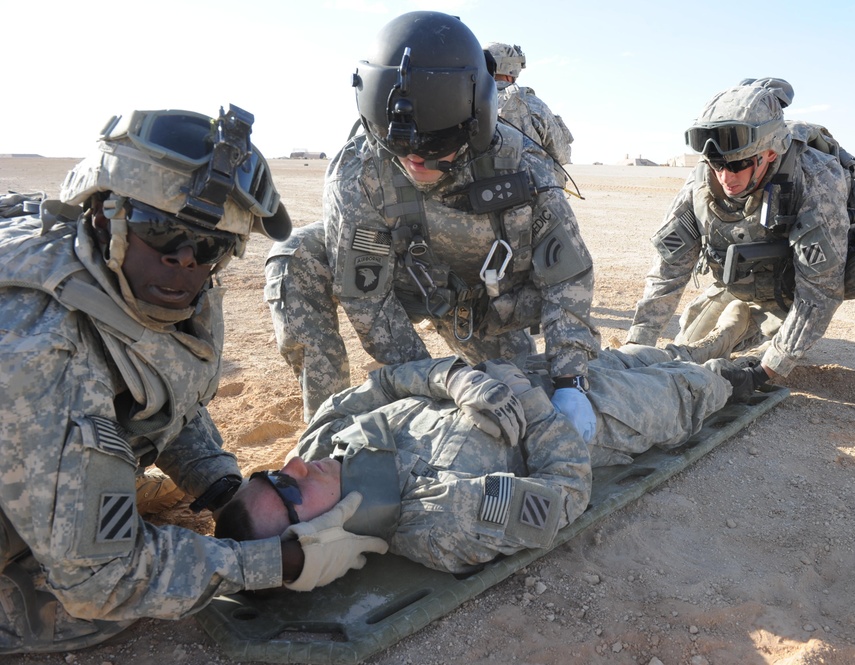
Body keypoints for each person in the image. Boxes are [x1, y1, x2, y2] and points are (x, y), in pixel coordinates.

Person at [0, 106, 387, 654]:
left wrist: (221, 488)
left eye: (211, 245)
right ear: (104, 214)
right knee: (86, 607)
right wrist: (279, 561)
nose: (185, 262)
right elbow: (101, 580)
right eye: (160, 232)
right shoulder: (41, 350)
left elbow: (163, 388)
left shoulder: (149, 287)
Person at [265, 12, 600, 446]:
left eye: (434, 146)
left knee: (523, 402)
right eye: (398, 145)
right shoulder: (359, 172)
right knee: (297, 254)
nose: (415, 161)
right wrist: (432, 385)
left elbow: (567, 278)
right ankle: (329, 424)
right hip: (407, 288)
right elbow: (367, 300)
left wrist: (572, 382)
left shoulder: (523, 167)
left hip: (486, 306)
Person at [625, 78, 855, 489]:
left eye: (736, 165)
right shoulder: (702, 185)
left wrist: (768, 369)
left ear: (769, 153)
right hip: (748, 282)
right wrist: (636, 348)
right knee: (688, 356)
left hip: (820, 275)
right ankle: (739, 324)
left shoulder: (816, 178)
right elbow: (668, 270)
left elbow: (818, 294)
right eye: (717, 165)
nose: (725, 176)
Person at [214, 324, 768, 575]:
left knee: (648, 353)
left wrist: (454, 379)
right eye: (287, 489)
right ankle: (747, 365)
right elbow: (567, 493)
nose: (293, 465)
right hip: (598, 418)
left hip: (532, 370)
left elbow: (386, 384)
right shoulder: (444, 521)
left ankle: (723, 329)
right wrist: (536, 408)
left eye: (270, 473)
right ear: (320, 539)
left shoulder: (320, 440)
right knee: (695, 387)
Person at [484, 42, 574, 177]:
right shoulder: (531, 103)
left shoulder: (463, 102)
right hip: (527, 192)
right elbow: (562, 154)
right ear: (511, 72)